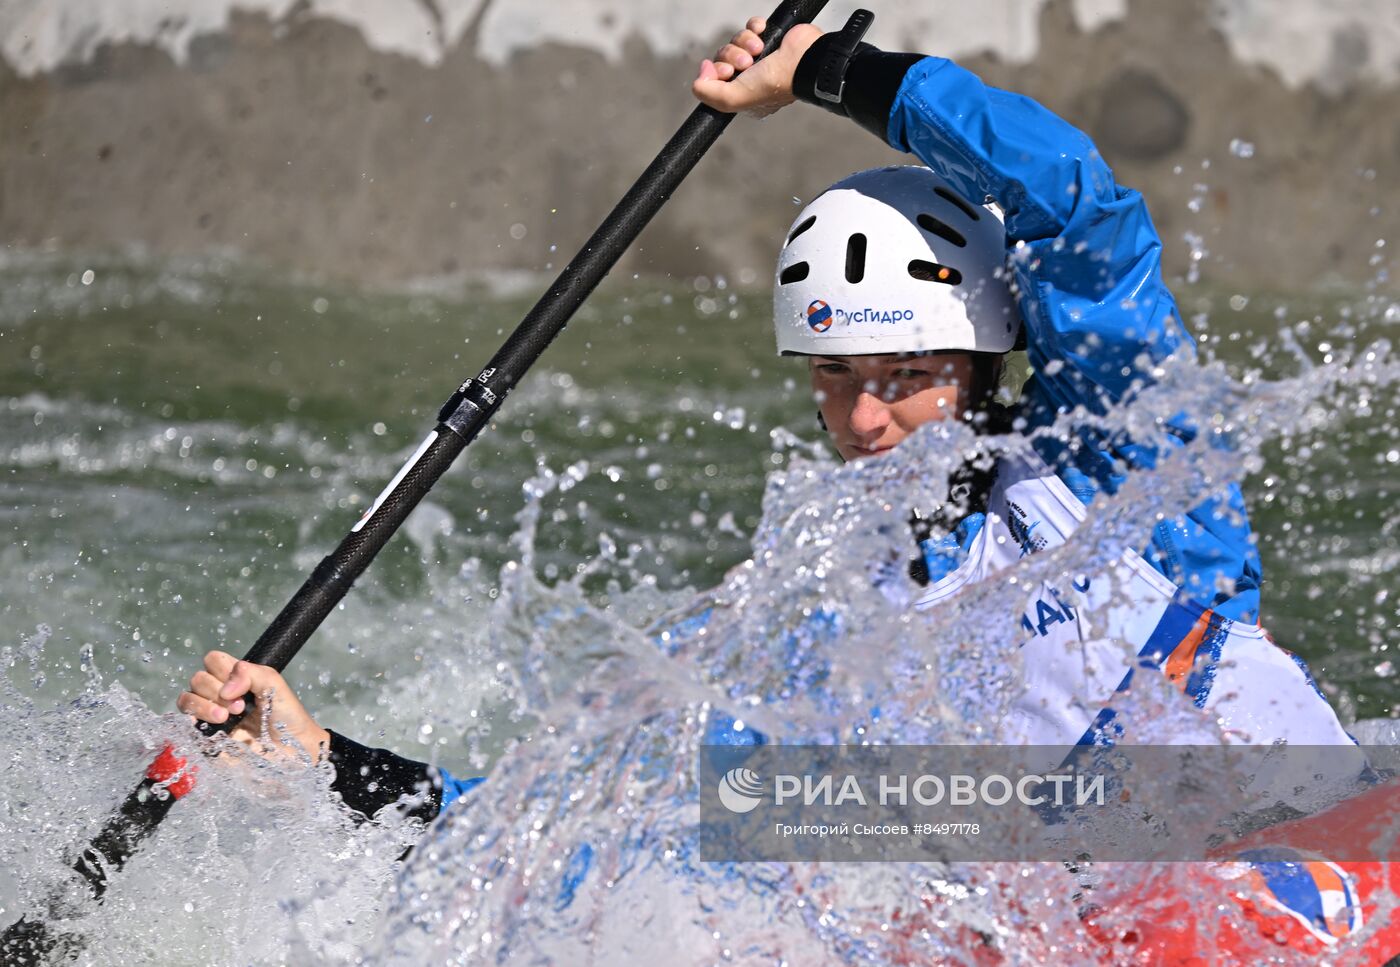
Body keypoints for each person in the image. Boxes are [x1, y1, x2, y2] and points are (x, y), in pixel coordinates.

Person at [176, 11, 1396, 961]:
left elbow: (1082, 212)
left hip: (1288, 865)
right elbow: (581, 825)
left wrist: (828, 74)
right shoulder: (818, 615)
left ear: (980, 365)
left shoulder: (1127, 470)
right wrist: (325, 760)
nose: (866, 421)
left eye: (908, 376)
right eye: (835, 380)